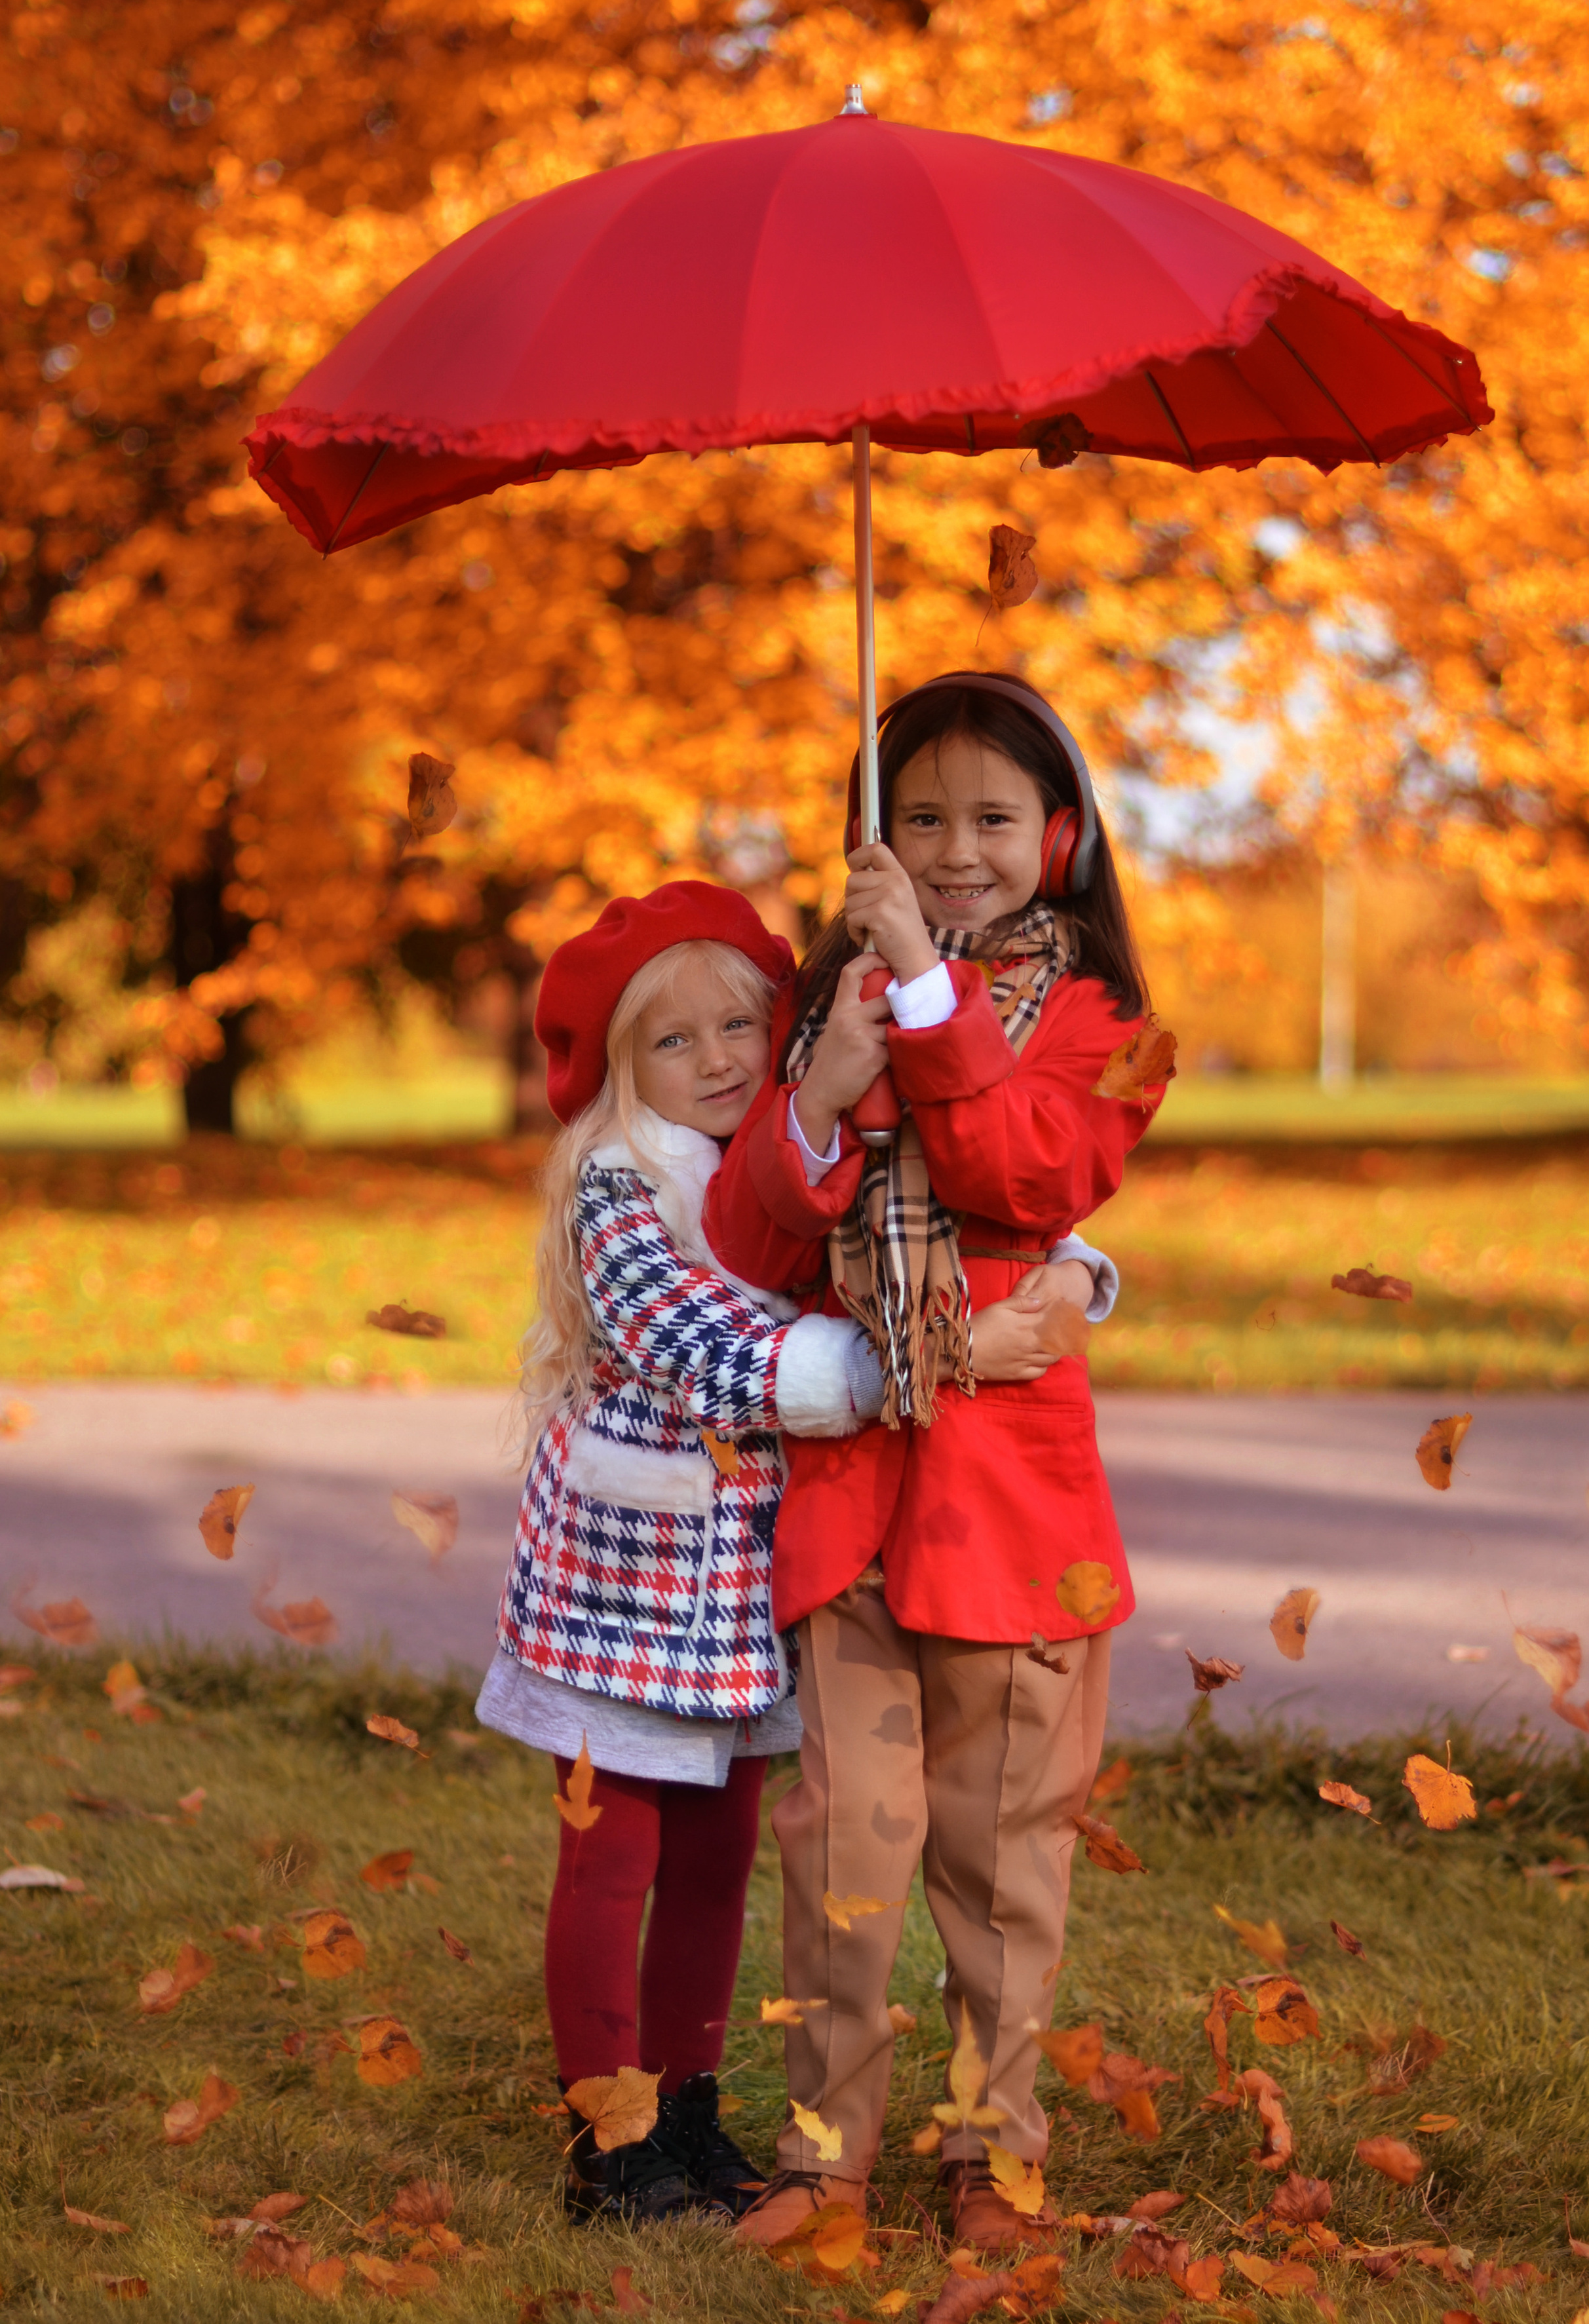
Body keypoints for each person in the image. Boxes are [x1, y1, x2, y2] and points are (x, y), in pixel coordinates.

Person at [474, 879, 1113, 2227]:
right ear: (615, 1067)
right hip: (625, 1583)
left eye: (740, 1026)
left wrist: (1074, 1270)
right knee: (611, 1857)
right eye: (673, 1040)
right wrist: (919, 1366)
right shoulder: (617, 1182)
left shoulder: (799, 1142)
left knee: (718, 1857)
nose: (714, 1060)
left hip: (746, 1591)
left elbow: (960, 1208)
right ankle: (612, 2131)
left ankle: (692, 2110)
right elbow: (706, 1349)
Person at [703, 672, 1171, 2251]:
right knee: (840, 1838)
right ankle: (823, 2147)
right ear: (868, 833)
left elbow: (1024, 1168)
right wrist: (823, 1090)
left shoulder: (1113, 1027)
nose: (954, 849)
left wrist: (920, 985)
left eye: (988, 818)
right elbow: (750, 1231)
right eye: (918, 818)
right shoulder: (823, 1003)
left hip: (1012, 1507)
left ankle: (993, 2152)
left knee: (996, 1856)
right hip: (849, 1503)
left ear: (1056, 833)